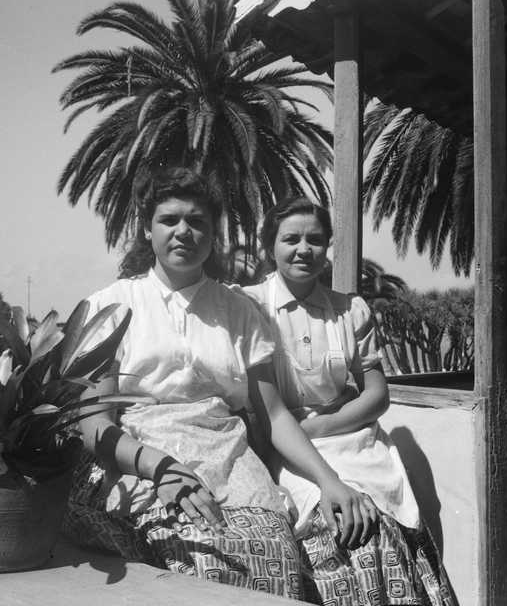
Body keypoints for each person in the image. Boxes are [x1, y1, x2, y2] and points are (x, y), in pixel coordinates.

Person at [62, 165, 375, 601]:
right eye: (169, 220)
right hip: (138, 453)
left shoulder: (239, 310)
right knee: (192, 554)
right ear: (147, 231)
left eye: (197, 222)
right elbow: (95, 424)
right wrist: (161, 469)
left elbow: (274, 414)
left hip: (226, 451)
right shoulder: (112, 306)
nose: (183, 232)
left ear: (213, 233)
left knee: (273, 548)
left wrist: (329, 480)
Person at [242, 196, 458, 606]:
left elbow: (377, 395)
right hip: (287, 448)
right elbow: (268, 410)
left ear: (327, 246)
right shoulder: (249, 307)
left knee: (386, 527)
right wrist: (304, 432)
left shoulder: (348, 310)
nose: (303, 249)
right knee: (338, 530)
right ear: (270, 245)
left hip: (351, 440)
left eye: (315, 239)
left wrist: (322, 424)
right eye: (290, 239)